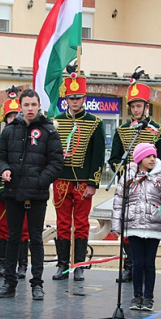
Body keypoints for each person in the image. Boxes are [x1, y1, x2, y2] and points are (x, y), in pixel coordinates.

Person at [0, 89, 63, 300]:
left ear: (39, 105)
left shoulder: (49, 131)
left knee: (35, 239)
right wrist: (4, 169)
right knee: (13, 238)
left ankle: (37, 284)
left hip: (37, 194)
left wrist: (40, 181)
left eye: (34, 104)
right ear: (20, 107)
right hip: (13, 192)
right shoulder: (9, 130)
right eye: (26, 105)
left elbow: (57, 162)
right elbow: (0, 157)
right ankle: (9, 282)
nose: (30, 108)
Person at [108, 80, 161, 283]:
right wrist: (127, 171)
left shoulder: (158, 131)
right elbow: (114, 158)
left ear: (146, 107)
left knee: (148, 227)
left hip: (152, 187)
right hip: (130, 186)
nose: (136, 110)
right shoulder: (122, 130)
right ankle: (129, 264)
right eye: (133, 106)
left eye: (139, 106)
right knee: (128, 226)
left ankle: (145, 267)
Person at [52, 73, 105, 282]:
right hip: (61, 180)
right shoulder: (56, 122)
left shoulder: (95, 123)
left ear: (84, 99)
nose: (74, 101)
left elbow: (98, 155)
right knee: (62, 223)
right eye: (71, 97)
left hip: (83, 182)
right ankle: (63, 264)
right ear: (66, 99)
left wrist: (93, 183)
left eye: (78, 97)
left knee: (81, 223)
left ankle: (80, 265)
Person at [110, 143, 161, 311]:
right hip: (133, 226)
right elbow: (118, 201)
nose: (152, 159)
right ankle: (137, 296)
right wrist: (117, 226)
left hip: (153, 228)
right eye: (148, 156)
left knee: (149, 263)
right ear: (139, 159)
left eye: (154, 156)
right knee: (137, 263)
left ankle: (149, 298)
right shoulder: (129, 175)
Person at [0, 87, 30, 279]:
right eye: (9, 116)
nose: (13, 119)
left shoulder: (30, 138)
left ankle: (22, 264)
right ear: (4, 119)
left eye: (16, 115)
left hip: (24, 191)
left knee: (24, 229)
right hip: (4, 193)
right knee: (2, 228)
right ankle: (1, 263)